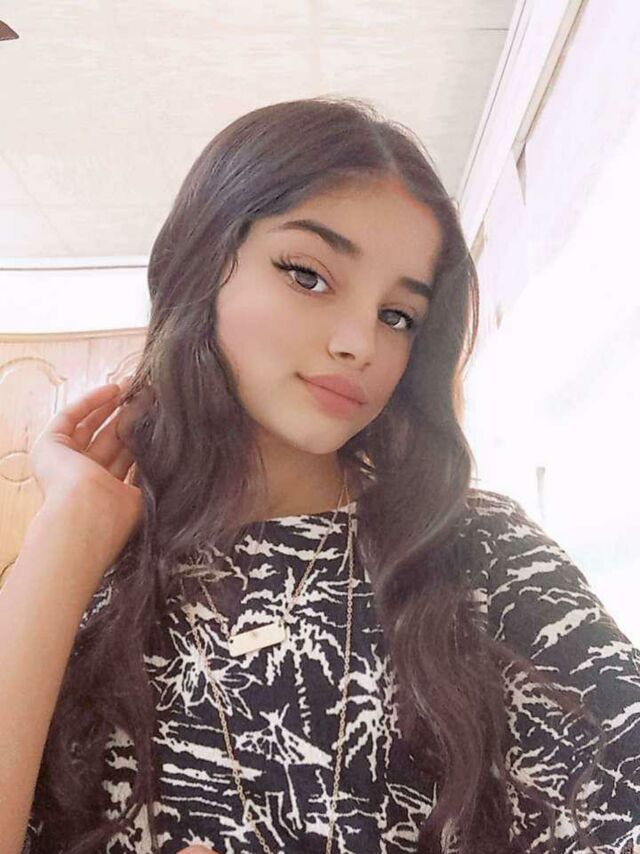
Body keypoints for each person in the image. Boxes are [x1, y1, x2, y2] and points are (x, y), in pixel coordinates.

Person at [1, 96, 638, 854]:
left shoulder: (473, 550)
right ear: (201, 263)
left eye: (398, 316)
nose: (360, 342)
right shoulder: (78, 587)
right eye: (308, 275)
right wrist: (69, 532)